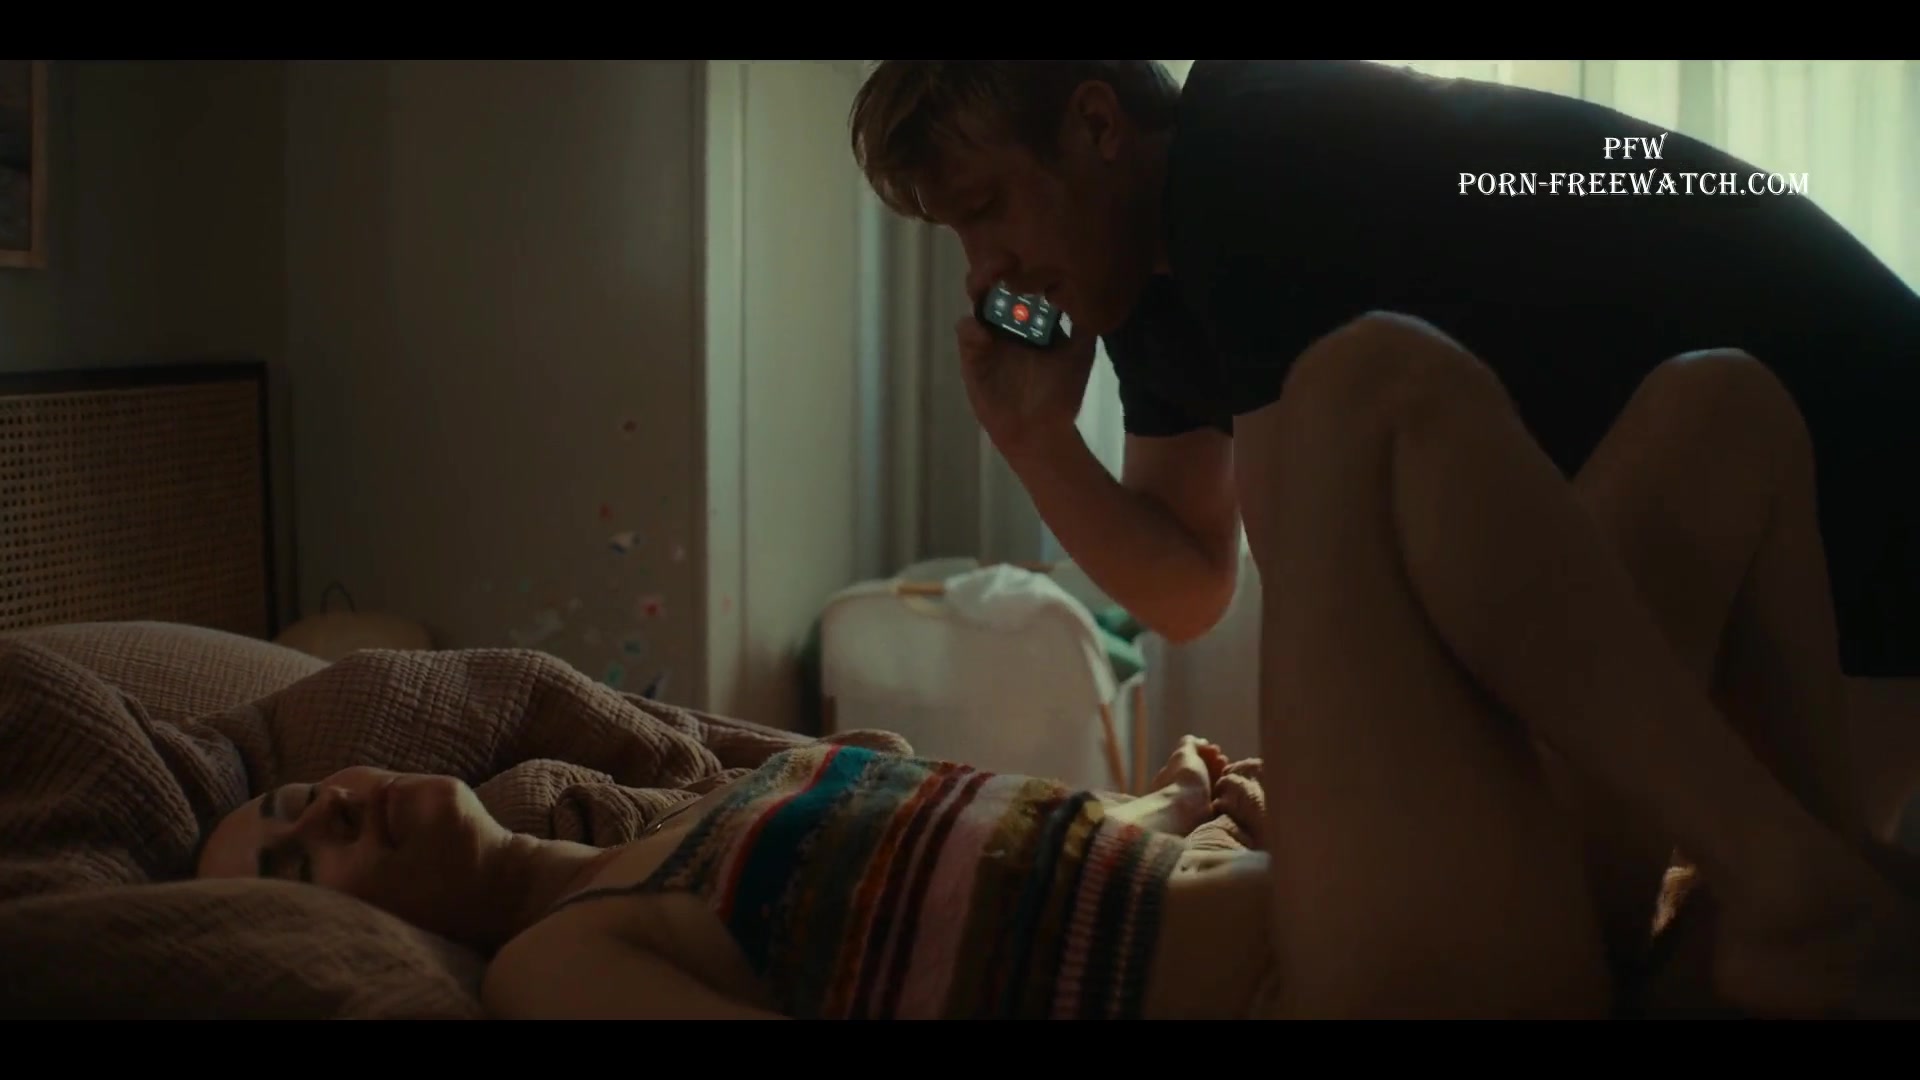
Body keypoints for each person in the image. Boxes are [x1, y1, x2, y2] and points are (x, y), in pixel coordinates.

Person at [200, 343, 1920, 1019]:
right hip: (1317, 989)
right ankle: (1795, 883)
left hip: (1353, 902)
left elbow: (984, 896)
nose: (328, 805)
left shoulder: (696, 801)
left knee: (1722, 413)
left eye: (292, 797)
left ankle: (1792, 903)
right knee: (1348, 404)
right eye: (300, 859)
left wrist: (1173, 813)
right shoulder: (557, 963)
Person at [846, 60, 1920, 837]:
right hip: (1725, 489)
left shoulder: (1247, 157)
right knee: (1682, 917)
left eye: (986, 208)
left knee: (1693, 924)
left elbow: (1328, 618)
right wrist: (1035, 440)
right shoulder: (1155, 284)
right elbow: (1190, 587)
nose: (983, 269)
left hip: (1856, 454)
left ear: (1096, 125)